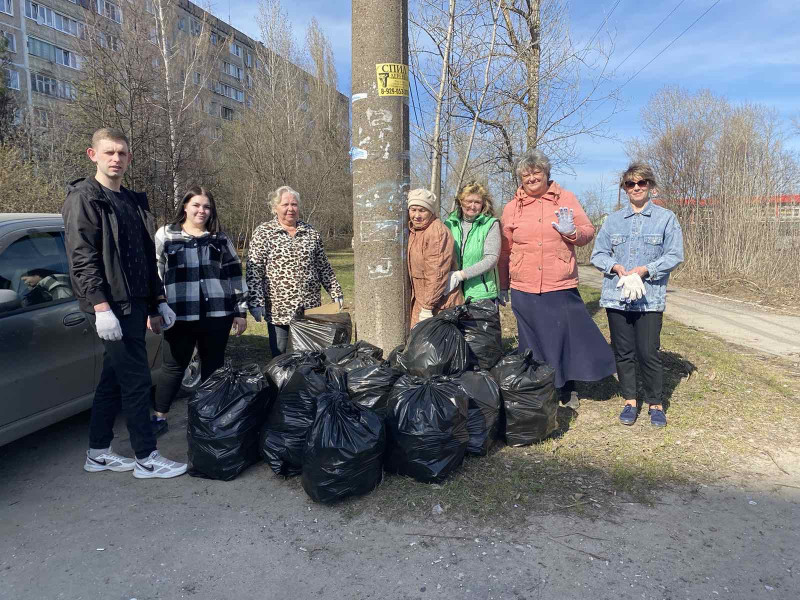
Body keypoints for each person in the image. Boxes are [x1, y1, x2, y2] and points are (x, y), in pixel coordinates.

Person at [62, 127, 186, 478]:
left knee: (113, 379)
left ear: (129, 157)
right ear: (93, 155)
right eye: (109, 153)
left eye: (122, 153)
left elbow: (144, 257)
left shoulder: (131, 201)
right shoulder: (84, 198)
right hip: (111, 305)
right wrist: (101, 307)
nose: (116, 159)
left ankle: (98, 453)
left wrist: (158, 300)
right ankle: (146, 458)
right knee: (136, 380)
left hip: (134, 303)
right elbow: (82, 257)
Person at [499, 150, 616, 409]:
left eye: (536, 172)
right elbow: (505, 250)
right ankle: (539, 388)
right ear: (520, 177)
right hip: (524, 283)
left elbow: (587, 232)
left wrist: (571, 232)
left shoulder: (566, 198)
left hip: (558, 280)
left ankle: (567, 387)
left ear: (546, 173)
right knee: (532, 340)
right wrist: (503, 284)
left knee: (562, 336)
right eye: (526, 174)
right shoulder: (512, 207)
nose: (531, 178)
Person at [590, 162, 684, 427]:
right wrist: (615, 267)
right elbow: (598, 254)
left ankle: (656, 403)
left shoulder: (666, 218)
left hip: (649, 298)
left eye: (642, 183)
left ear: (650, 186)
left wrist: (646, 269)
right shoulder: (613, 220)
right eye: (631, 184)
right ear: (625, 188)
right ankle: (630, 400)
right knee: (623, 351)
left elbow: (675, 254)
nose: (637, 188)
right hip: (617, 297)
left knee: (648, 351)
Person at [151, 186, 248, 436]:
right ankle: (159, 417)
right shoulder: (166, 235)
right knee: (173, 367)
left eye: (206, 206)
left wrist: (240, 311)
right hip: (179, 314)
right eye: (196, 205)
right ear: (185, 206)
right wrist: (155, 307)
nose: (201, 211)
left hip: (218, 314)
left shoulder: (219, 238)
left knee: (213, 366)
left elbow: (234, 273)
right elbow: (154, 274)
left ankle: (208, 417)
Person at [246, 186, 343, 357]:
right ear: (275, 207)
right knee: (282, 356)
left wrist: (335, 291)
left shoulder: (310, 232)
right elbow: (254, 271)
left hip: (310, 309)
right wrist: (256, 302)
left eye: (294, 204)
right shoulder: (264, 233)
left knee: (310, 356)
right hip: (279, 310)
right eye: (285, 205)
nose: (290, 209)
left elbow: (323, 266)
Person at [407, 188, 463, 327]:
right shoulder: (416, 230)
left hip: (438, 303)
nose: (416, 215)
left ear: (431, 211)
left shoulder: (436, 233)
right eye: (413, 210)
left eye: (422, 210)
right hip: (422, 298)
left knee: (436, 345)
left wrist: (427, 307)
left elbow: (436, 272)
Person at [443, 181, 501, 302]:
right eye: (469, 201)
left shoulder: (490, 224)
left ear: (483, 204)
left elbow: (491, 259)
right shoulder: (449, 224)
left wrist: (460, 275)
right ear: (461, 201)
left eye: (477, 202)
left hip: (481, 294)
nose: (473, 206)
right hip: (453, 293)